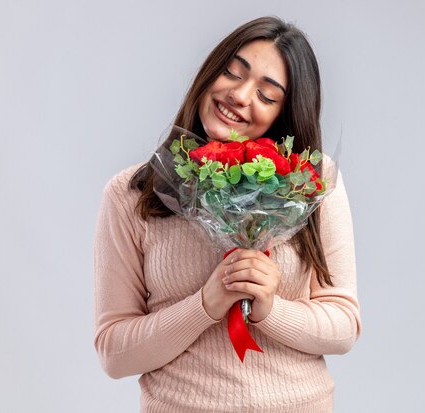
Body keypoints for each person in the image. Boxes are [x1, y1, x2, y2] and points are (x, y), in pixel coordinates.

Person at [93, 16, 361, 412]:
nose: (240, 95)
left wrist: (271, 309)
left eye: (267, 96)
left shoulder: (312, 185)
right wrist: (205, 304)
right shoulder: (131, 194)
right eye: (232, 73)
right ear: (208, 75)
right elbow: (115, 354)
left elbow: (343, 327)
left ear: (284, 115)